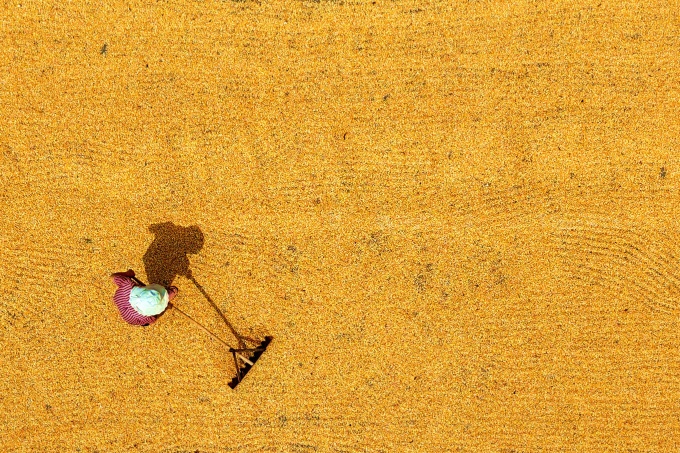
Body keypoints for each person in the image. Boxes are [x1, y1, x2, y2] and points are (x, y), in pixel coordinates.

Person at [110, 269, 178, 326]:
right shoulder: (145, 317)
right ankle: (166, 301)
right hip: (135, 318)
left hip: (127, 313)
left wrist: (127, 274)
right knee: (153, 319)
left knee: (151, 318)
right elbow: (152, 320)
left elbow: (112, 277)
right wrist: (127, 274)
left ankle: (164, 300)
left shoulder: (127, 284)